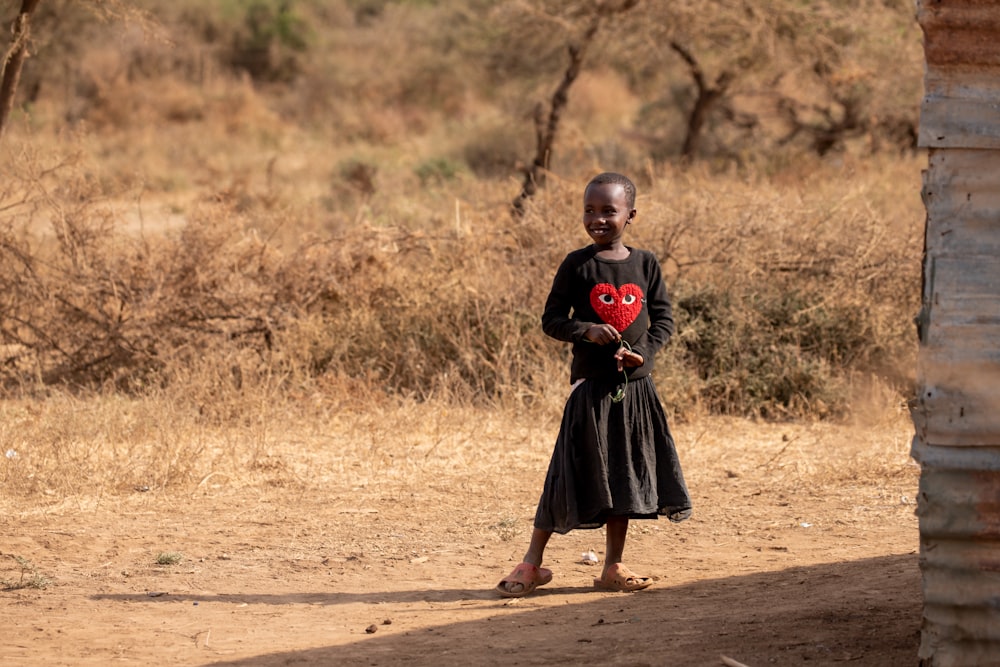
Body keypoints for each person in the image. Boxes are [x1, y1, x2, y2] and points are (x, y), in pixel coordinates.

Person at [495, 172, 692, 597]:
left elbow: (664, 321)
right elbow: (551, 320)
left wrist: (644, 355)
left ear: (630, 215)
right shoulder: (577, 264)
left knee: (622, 475)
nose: (597, 218)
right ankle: (531, 562)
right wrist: (585, 330)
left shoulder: (646, 265)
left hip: (636, 391)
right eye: (590, 209)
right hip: (590, 391)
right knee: (566, 472)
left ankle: (612, 567)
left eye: (609, 211)